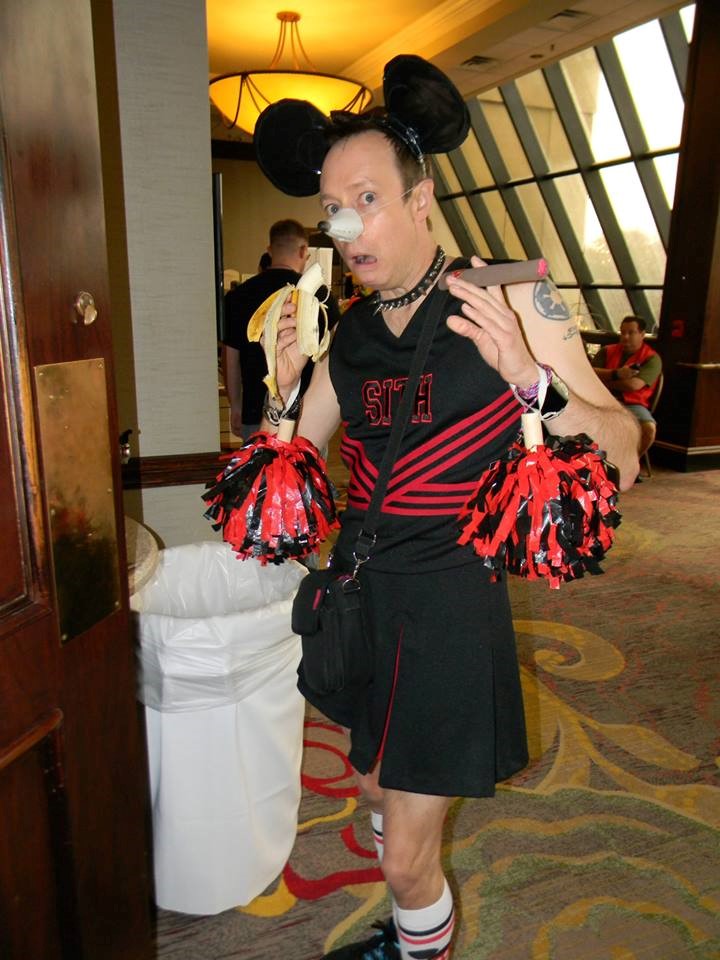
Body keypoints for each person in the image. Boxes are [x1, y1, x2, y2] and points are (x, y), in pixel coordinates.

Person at [253, 56, 640, 960]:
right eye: (334, 208)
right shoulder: (350, 333)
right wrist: (282, 390)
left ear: (421, 198)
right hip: (364, 600)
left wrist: (532, 381)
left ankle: (416, 935)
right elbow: (285, 477)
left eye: (368, 199)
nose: (348, 225)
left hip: (452, 604)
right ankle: (408, 932)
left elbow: (623, 451)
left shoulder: (508, 296)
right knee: (375, 792)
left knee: (406, 859)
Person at [221, 219, 340, 439]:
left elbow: (231, 356)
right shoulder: (321, 296)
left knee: (259, 461)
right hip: (306, 417)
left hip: (254, 411)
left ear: (269, 250)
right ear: (303, 250)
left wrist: (236, 405)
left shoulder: (238, 296)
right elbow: (330, 359)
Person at [592, 314, 662, 461]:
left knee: (649, 429)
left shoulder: (652, 358)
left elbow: (633, 385)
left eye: (631, 333)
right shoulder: (607, 351)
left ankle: (630, 463)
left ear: (642, 334)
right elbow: (589, 373)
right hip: (601, 399)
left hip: (632, 404)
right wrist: (617, 374)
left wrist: (605, 380)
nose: (625, 337)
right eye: (623, 332)